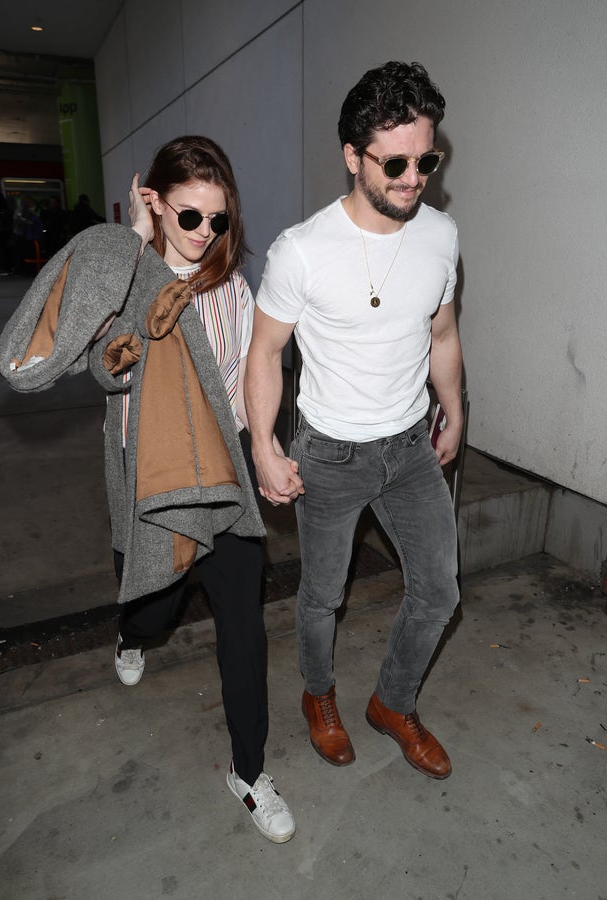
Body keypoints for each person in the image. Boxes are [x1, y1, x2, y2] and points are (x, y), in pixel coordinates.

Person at [0, 136, 296, 843]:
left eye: (220, 221)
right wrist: (126, 262)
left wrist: (268, 447)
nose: (206, 235)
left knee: (244, 627)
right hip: (150, 479)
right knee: (152, 606)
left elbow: (252, 380)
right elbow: (82, 369)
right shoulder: (118, 273)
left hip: (223, 477)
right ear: (153, 202)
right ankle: (134, 633)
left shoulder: (233, 290)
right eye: (191, 217)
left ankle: (248, 772)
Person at [245, 61, 463, 780]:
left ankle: (392, 703)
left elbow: (442, 334)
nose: (413, 177)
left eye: (425, 160)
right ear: (351, 156)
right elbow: (266, 352)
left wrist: (455, 411)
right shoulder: (301, 251)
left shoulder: (440, 237)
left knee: (439, 590)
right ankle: (318, 695)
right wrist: (264, 448)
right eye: (394, 161)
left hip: (408, 447)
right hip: (330, 452)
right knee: (321, 596)